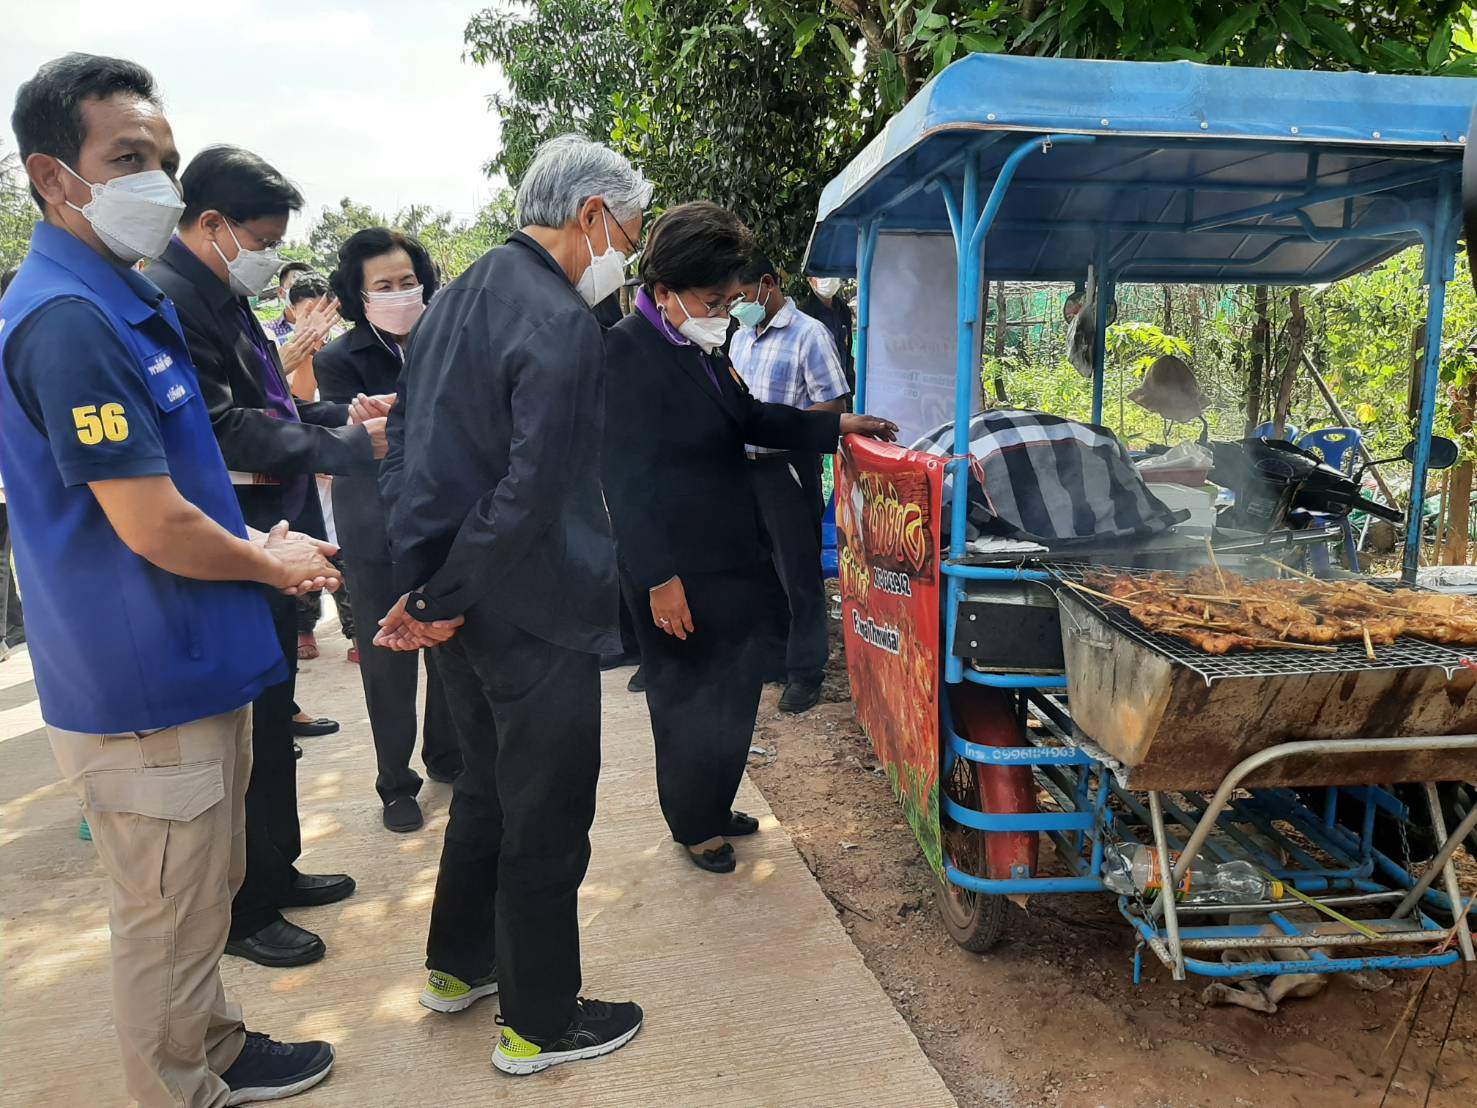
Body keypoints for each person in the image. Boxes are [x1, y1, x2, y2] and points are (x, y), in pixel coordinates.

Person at [2, 52, 338, 1105]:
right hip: (142, 681)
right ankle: (179, 1087)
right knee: (163, 914)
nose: (159, 182)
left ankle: (216, 1043)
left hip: (188, 657)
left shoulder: (119, 303)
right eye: (128, 158)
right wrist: (268, 555)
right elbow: (146, 519)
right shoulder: (70, 322)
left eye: (165, 158)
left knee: (199, 898)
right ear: (56, 178)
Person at [376, 133, 647, 1075]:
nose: (630, 250)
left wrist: (422, 589)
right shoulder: (560, 322)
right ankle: (540, 1020)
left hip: (460, 599)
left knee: (487, 789)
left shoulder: (459, 295)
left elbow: (405, 446)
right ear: (590, 217)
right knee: (546, 810)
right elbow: (532, 495)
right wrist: (440, 595)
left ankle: (459, 966)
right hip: (528, 608)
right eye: (631, 230)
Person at [602, 202, 896, 875]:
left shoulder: (704, 348)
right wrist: (656, 579)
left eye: (731, 298)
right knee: (684, 698)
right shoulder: (625, 352)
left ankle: (717, 799)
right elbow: (621, 479)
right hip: (675, 564)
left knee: (734, 687)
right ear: (662, 291)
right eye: (714, 298)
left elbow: (751, 419)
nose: (726, 309)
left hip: (732, 548)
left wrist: (838, 426)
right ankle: (691, 823)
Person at [149, 144, 383, 969]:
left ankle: (273, 871)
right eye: (263, 239)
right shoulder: (174, 299)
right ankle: (244, 912)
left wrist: (336, 417)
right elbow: (223, 428)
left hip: (272, 536)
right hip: (234, 539)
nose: (272, 257)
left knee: (273, 721)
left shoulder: (218, 291)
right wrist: (350, 446)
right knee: (246, 731)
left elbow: (269, 402)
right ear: (211, 225)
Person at [318, 228, 462, 832]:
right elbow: (352, 440)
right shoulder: (338, 358)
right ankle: (395, 783)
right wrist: (361, 423)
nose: (400, 294)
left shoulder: (448, 337)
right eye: (384, 286)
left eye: (409, 282)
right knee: (388, 660)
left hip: (443, 516)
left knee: (449, 641)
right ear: (359, 296)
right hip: (374, 522)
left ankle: (449, 756)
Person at [729, 253, 852, 714]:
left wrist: (776, 427)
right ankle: (774, 657)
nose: (736, 306)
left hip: (788, 467)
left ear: (767, 284)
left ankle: (806, 672)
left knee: (798, 572)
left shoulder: (809, 335)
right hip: (747, 469)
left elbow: (833, 406)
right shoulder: (741, 336)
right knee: (760, 567)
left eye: (741, 296)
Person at [274, 272, 357, 673]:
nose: (318, 322)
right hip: (307, 468)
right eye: (309, 313)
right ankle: (304, 627)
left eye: (326, 312)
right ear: (291, 312)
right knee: (310, 543)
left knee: (348, 550)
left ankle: (356, 629)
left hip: (342, 466)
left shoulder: (345, 353)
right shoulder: (280, 352)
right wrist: (303, 353)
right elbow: (298, 406)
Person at [798, 274, 855, 394]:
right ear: (809, 279)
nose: (828, 278)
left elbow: (847, 350)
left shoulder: (843, 309)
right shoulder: (803, 313)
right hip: (816, 392)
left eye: (831, 273)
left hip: (843, 388)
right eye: (821, 274)